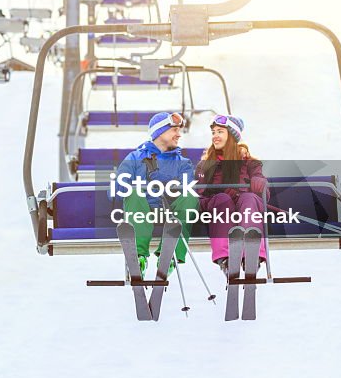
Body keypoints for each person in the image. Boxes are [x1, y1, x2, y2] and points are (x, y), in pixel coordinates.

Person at [113, 111, 199, 276]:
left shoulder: (183, 163)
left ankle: (170, 254)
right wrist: (143, 185)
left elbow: (187, 188)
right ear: (161, 132)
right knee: (134, 192)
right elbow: (117, 188)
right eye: (174, 130)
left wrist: (167, 184)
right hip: (143, 211)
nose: (178, 135)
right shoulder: (135, 158)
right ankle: (137, 257)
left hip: (169, 212)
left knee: (190, 198)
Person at [194, 116, 268, 274]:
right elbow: (199, 197)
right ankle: (226, 258)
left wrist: (258, 183)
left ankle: (251, 254)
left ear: (232, 135)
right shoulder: (205, 166)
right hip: (219, 210)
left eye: (220, 131)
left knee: (248, 198)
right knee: (222, 200)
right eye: (213, 132)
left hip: (245, 208)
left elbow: (264, 196)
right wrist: (218, 194)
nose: (215, 136)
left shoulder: (250, 163)